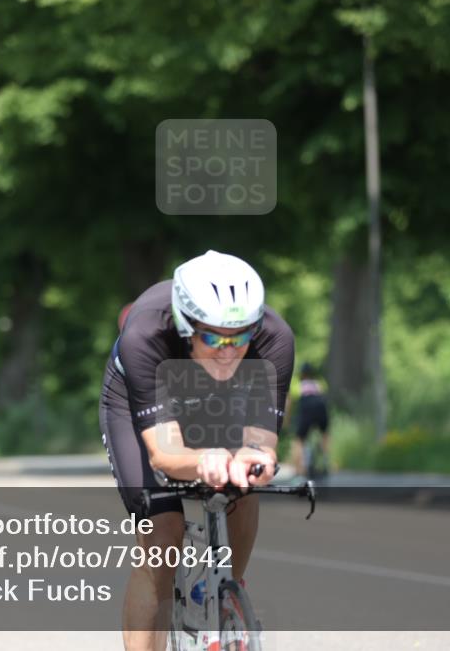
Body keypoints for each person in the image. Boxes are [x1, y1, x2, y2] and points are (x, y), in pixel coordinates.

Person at [99, 250, 294, 651]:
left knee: (244, 480)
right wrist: (202, 459)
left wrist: (255, 461)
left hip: (221, 392)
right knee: (162, 533)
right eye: (214, 337)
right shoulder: (145, 335)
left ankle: (225, 592)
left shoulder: (275, 339)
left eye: (240, 336)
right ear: (187, 326)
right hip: (143, 394)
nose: (228, 350)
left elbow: (261, 444)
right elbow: (164, 454)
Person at [290, 362, 330, 478]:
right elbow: (324, 395)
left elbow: (291, 402)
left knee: (299, 440)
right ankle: (326, 461)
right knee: (324, 435)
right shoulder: (320, 383)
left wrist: (287, 420)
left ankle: (299, 470)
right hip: (321, 407)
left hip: (306, 408)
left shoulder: (297, 384)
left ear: (302, 374)